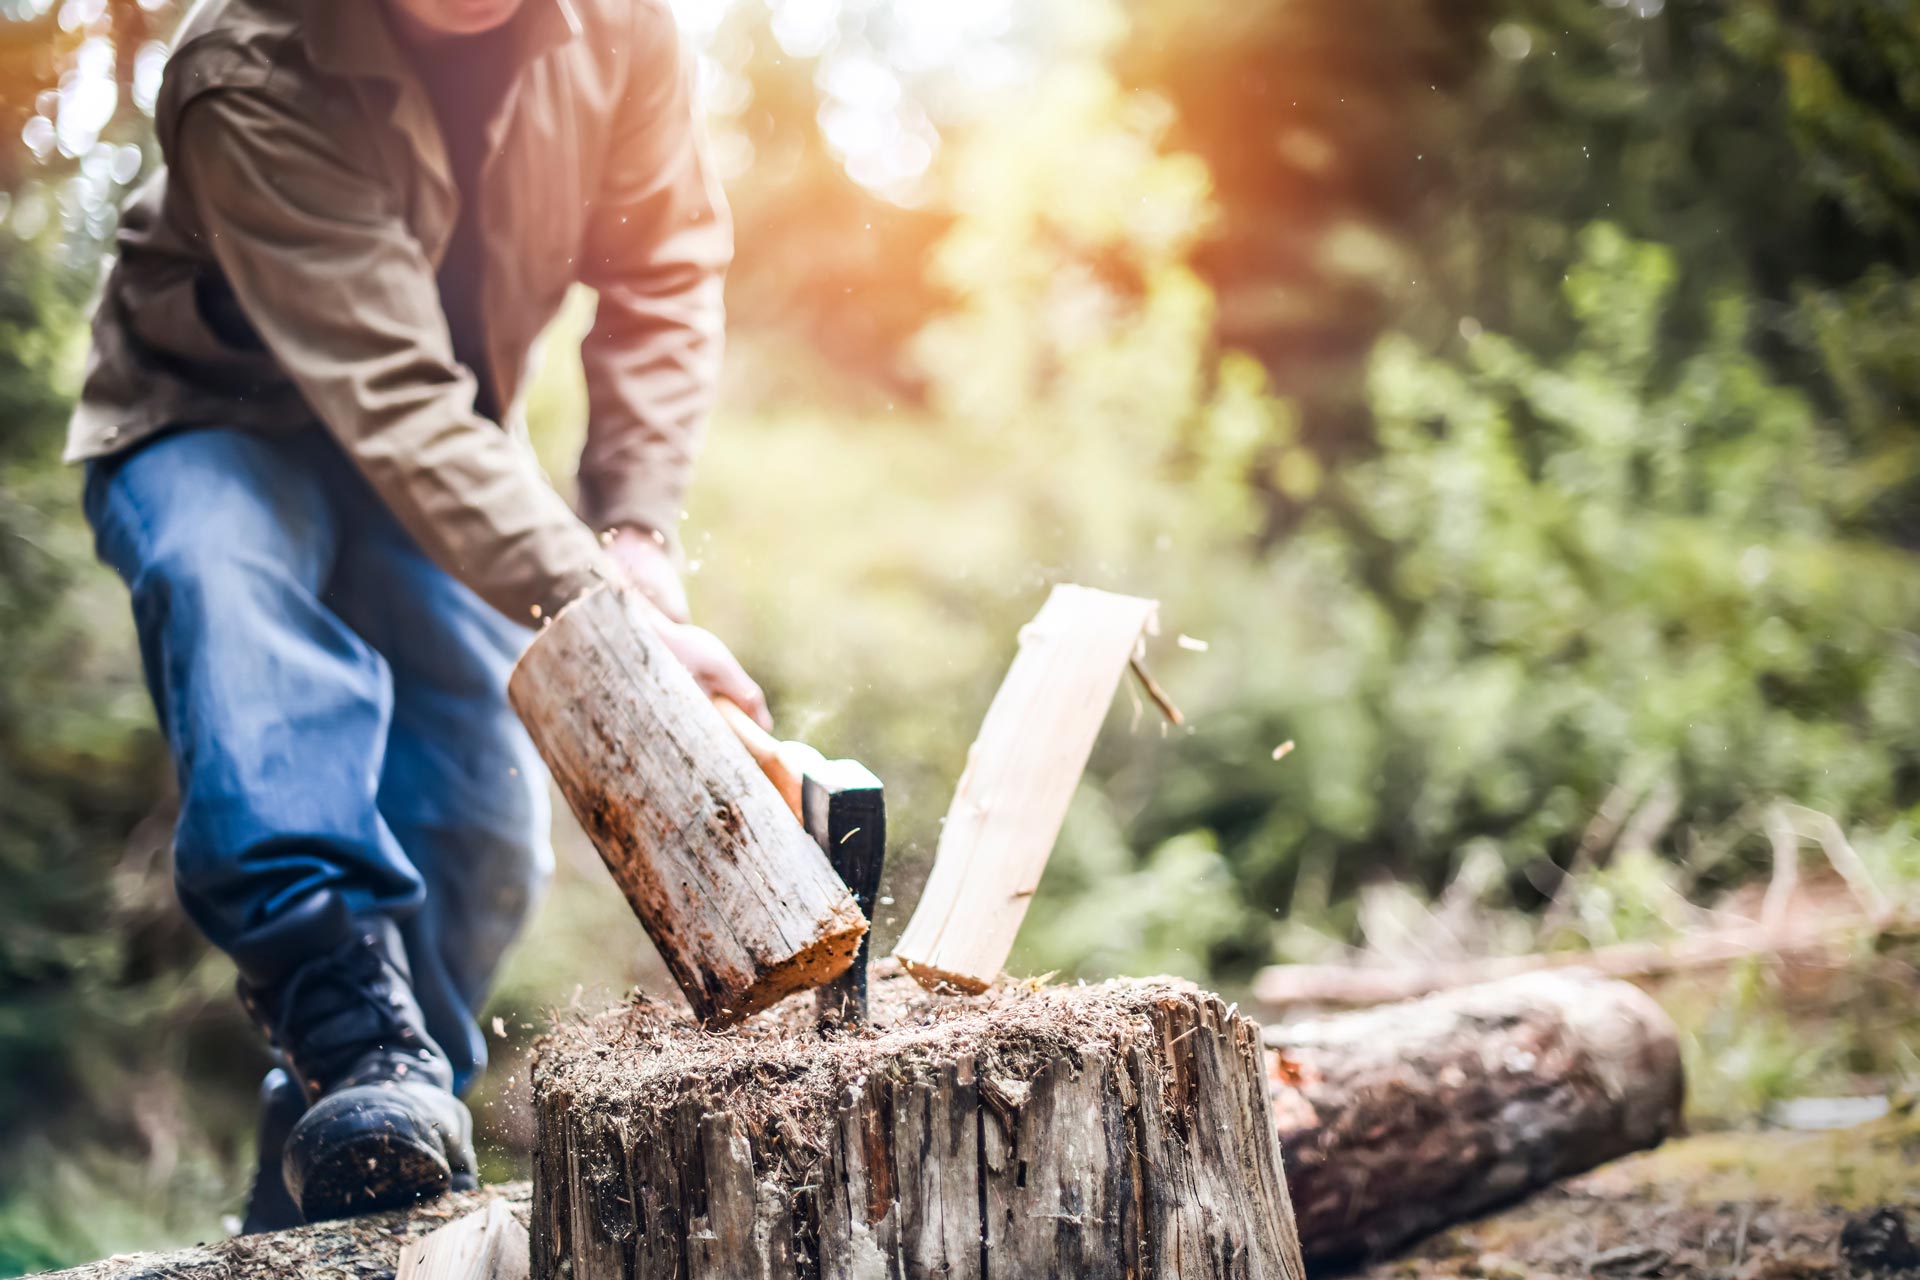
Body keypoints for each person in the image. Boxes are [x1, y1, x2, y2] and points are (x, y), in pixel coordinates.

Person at [65, 0, 764, 1230]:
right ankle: (345, 1019)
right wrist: (603, 608)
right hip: (209, 418)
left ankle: (363, 1139)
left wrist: (635, 533)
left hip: (448, 450)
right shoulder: (247, 63)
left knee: (483, 823)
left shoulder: (624, 31)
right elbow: (389, 391)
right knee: (239, 620)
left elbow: (662, 267)